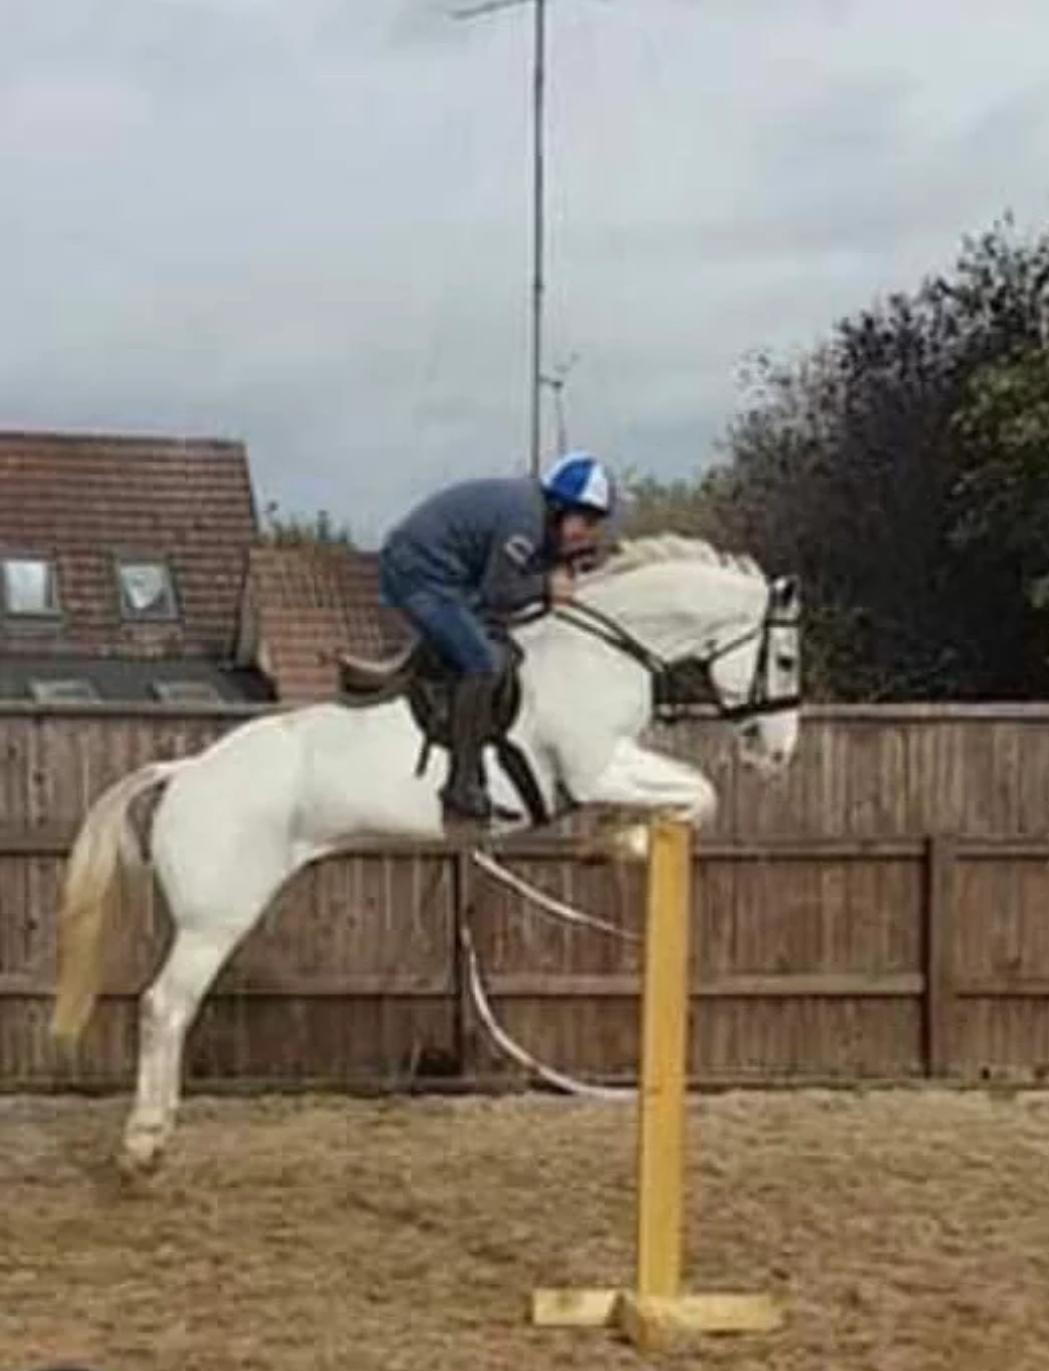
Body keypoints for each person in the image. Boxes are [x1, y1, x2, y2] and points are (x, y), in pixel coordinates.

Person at [378, 451, 615, 822]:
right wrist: (546, 587)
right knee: (482, 662)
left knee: (500, 647)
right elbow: (498, 594)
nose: (587, 531)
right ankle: (461, 787)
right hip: (419, 574)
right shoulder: (524, 524)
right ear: (558, 508)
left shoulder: (535, 517)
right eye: (584, 519)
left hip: (446, 573)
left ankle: (481, 774)